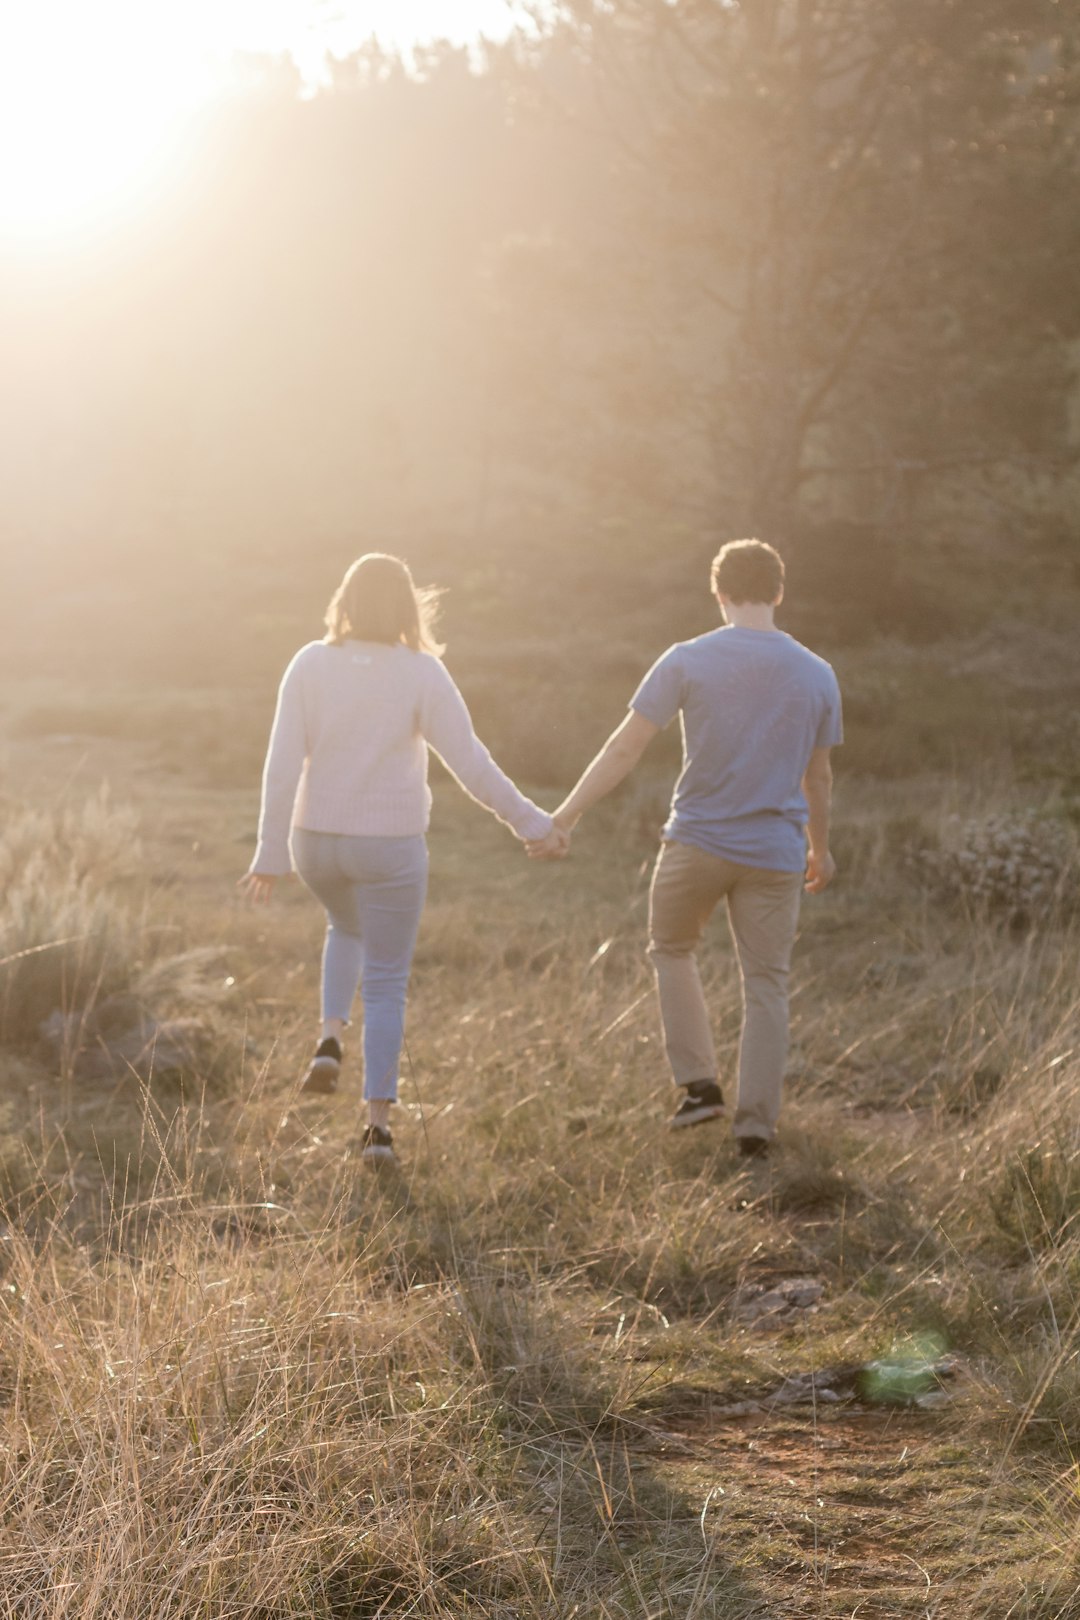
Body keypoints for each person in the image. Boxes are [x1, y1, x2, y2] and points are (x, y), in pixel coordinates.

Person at [240, 553, 563, 1164]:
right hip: (388, 845)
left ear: (345, 600)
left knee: (344, 925)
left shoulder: (309, 663)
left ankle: (330, 1038)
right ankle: (377, 1129)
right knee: (386, 981)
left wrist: (270, 851)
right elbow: (469, 762)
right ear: (409, 607)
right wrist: (533, 823)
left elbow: (282, 764)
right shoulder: (422, 672)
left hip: (316, 843)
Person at [539, 539, 841, 1155]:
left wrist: (563, 814)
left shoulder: (685, 659)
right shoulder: (817, 672)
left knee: (672, 949)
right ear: (779, 592)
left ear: (720, 593)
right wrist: (822, 848)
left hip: (696, 843)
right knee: (767, 984)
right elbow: (820, 776)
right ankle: (756, 1128)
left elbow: (625, 748)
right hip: (776, 853)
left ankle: (700, 1089)